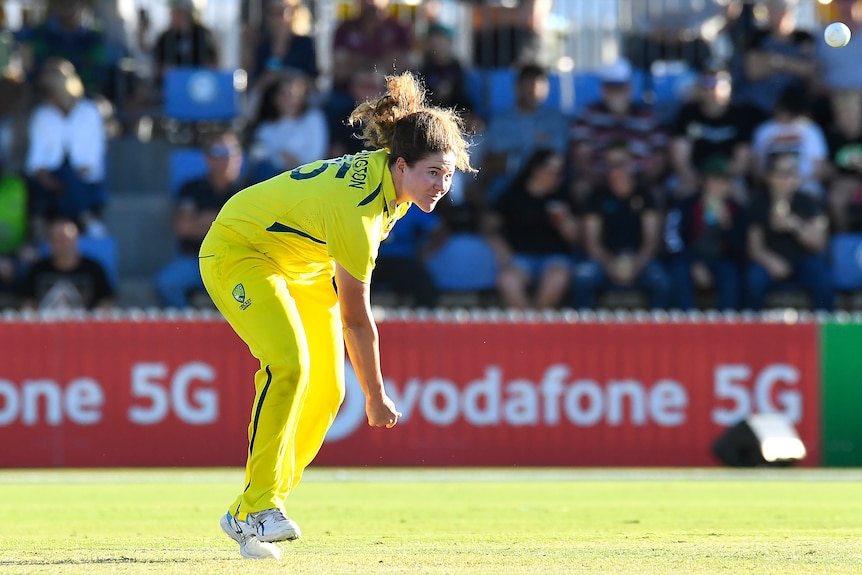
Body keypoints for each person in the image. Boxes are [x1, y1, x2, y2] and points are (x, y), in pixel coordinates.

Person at [200, 72, 474, 559]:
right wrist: (377, 395)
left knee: (327, 391)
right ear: (402, 165)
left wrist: (362, 391)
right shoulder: (361, 213)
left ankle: (253, 510)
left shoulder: (394, 184)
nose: (441, 185)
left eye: (448, 174)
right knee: (289, 365)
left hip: (298, 264)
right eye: (433, 173)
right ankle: (259, 506)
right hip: (238, 250)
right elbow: (355, 320)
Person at [572, 139, 671, 310]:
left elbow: (652, 240)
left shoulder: (645, 194)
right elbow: (591, 241)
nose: (615, 169)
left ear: (631, 164)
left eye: (620, 163)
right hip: (605, 258)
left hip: (638, 257)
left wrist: (636, 264)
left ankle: (656, 334)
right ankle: (584, 334)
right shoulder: (597, 195)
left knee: (662, 283)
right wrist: (609, 264)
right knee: (582, 279)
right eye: (610, 164)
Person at [155, 130, 243, 309]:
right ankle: (186, 333)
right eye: (218, 152)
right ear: (207, 157)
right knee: (166, 283)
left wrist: (203, 220)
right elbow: (183, 227)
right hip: (198, 261)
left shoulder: (250, 188)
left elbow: (251, 232)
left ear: (240, 157)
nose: (226, 158)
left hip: (239, 262)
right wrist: (227, 225)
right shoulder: (191, 188)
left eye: (231, 152)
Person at [484, 148, 578, 310]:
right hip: (520, 258)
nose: (555, 177)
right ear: (536, 170)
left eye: (559, 173)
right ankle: (530, 324)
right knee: (507, 280)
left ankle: (535, 325)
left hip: (554, 258)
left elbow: (574, 238)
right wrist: (499, 247)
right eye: (551, 171)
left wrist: (564, 222)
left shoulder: (563, 196)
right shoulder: (513, 195)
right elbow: (488, 227)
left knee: (558, 278)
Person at [24, 60, 107, 237]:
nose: (48, 98)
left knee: (70, 180)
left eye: (51, 93)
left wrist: (69, 180)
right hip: (50, 179)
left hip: (83, 181)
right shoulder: (41, 116)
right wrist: (47, 179)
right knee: (61, 181)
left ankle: (66, 225)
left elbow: (92, 159)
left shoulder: (90, 112)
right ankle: (86, 219)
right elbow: (36, 160)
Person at [745, 152, 833, 311]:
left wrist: (794, 224)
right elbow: (755, 248)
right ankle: (752, 331)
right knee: (753, 279)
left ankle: (826, 330)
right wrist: (771, 262)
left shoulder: (809, 202)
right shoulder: (757, 204)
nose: (786, 179)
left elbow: (819, 244)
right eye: (781, 173)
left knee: (822, 278)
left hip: (804, 261)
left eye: (791, 173)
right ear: (769, 176)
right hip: (770, 263)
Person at [664, 156, 747, 311]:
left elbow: (742, 251)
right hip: (689, 260)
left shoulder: (736, 210)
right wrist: (694, 263)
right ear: (703, 181)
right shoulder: (685, 206)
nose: (719, 186)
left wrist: (728, 226)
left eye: (725, 181)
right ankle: (686, 324)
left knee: (731, 274)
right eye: (715, 180)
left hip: (721, 261)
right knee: (678, 272)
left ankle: (726, 326)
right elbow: (672, 241)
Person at [246, 70, 329, 184]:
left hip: (307, 180)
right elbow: (258, 157)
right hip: (273, 181)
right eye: (284, 95)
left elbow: (316, 155)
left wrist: (296, 163)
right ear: (275, 98)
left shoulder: (314, 119)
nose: (289, 100)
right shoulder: (266, 128)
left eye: (294, 95)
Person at [18, 214, 114, 311]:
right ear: (50, 243)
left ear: (77, 239)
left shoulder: (94, 269)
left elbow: (106, 303)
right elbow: (27, 305)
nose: (63, 244)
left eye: (67, 239)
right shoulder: (37, 270)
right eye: (58, 239)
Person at [152, 0, 218, 88]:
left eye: (180, 12)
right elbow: (157, 67)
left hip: (199, 87)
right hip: (171, 89)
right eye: (174, 13)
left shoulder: (202, 34)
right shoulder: (164, 38)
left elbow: (213, 65)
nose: (177, 16)